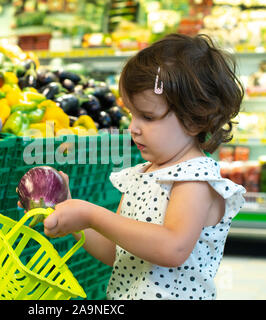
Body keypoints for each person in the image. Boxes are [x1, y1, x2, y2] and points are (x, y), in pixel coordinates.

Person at [25, 33, 246, 300]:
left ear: (195, 119)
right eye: (131, 114)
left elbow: (172, 248)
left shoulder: (193, 179)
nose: (134, 128)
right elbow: (113, 251)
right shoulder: (142, 175)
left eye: (148, 117)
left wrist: (93, 215)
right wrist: (73, 216)